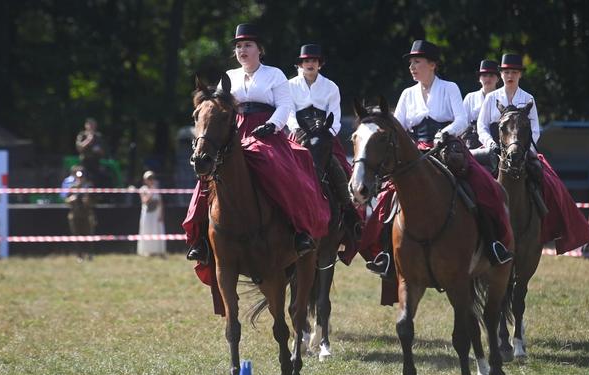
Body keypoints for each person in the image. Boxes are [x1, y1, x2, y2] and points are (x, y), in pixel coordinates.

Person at [363, 40, 513, 277]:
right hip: (414, 153)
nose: (412, 66)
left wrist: (444, 133)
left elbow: (462, 120)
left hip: (448, 148)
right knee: (387, 196)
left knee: (483, 186)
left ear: (432, 65)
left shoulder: (450, 87)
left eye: (417, 62)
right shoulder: (407, 94)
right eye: (411, 62)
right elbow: (399, 127)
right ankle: (386, 255)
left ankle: (493, 244)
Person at [183, 23, 330, 265]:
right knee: (206, 177)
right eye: (239, 46)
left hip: (267, 134)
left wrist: (272, 125)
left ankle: (299, 232)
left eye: (247, 45)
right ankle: (199, 239)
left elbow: (285, 106)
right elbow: (220, 110)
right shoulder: (228, 77)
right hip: (233, 134)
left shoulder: (275, 74)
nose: (242, 50)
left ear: (259, 50)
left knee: (282, 171)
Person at [476, 53, 589, 254]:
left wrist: (522, 150)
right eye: (505, 72)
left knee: (547, 179)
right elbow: (481, 126)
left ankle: (548, 223)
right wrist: (490, 144)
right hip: (495, 147)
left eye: (513, 72)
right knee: (475, 178)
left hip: (521, 149)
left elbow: (535, 130)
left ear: (520, 75)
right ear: (501, 74)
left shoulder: (528, 98)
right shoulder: (491, 98)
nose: (509, 75)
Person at [286, 43, 362, 261]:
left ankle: (350, 216)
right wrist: (297, 130)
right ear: (300, 64)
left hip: (324, 136)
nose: (310, 64)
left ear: (320, 64)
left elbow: (335, 119)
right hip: (298, 134)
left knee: (342, 168)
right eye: (306, 61)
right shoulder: (290, 85)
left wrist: (325, 133)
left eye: (314, 61)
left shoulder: (331, 87)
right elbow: (289, 112)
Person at [461, 60, 500, 150]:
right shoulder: (470, 97)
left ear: (498, 78)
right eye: (484, 75)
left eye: (491, 75)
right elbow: (463, 123)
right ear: (479, 79)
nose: (488, 79)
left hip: (497, 143)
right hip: (473, 143)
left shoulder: (503, 98)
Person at [65, 168, 96, 261]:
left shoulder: (88, 188)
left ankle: (89, 254)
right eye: (78, 177)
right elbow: (66, 201)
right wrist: (71, 199)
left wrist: (88, 201)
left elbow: (94, 202)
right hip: (75, 215)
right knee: (76, 236)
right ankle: (79, 255)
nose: (80, 179)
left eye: (81, 177)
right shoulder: (72, 188)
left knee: (88, 235)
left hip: (86, 215)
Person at [137, 170, 166, 257]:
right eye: (149, 178)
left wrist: (161, 214)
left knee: (157, 231)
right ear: (145, 180)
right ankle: (147, 251)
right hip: (147, 215)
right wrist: (151, 192)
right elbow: (144, 201)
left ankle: (157, 251)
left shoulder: (156, 189)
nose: (151, 180)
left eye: (152, 178)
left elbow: (160, 203)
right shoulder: (143, 189)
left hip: (156, 214)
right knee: (147, 231)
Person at [75, 117, 105, 185]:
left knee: (99, 179)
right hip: (84, 163)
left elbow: (103, 151)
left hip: (95, 163)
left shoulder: (98, 136)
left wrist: (98, 150)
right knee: (80, 176)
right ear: (86, 125)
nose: (91, 127)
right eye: (90, 124)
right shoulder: (82, 135)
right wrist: (88, 140)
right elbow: (79, 148)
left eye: (93, 125)